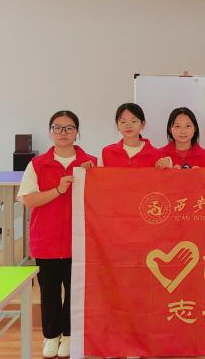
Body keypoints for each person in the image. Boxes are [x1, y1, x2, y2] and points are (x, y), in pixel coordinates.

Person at [17, 111, 97, 359]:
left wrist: (93, 176)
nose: (63, 133)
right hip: (46, 240)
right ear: (50, 132)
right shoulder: (37, 164)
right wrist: (58, 190)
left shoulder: (91, 163)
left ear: (77, 132)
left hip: (79, 241)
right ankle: (51, 336)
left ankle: (70, 336)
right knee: (49, 292)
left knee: (75, 292)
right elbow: (29, 200)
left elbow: (102, 200)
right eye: (57, 128)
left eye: (69, 128)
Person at [101, 102, 160, 167]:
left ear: (143, 124)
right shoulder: (107, 152)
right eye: (123, 122)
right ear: (117, 125)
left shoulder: (156, 154)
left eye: (133, 121)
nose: (128, 125)